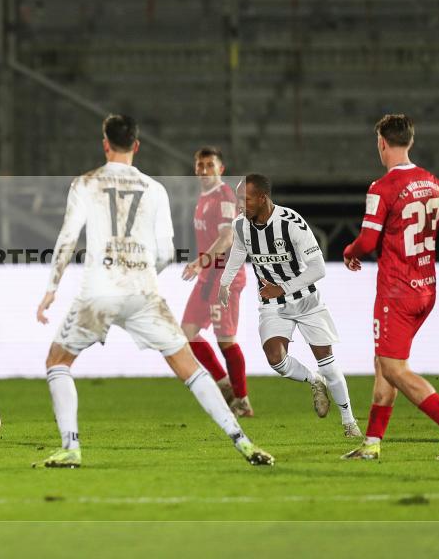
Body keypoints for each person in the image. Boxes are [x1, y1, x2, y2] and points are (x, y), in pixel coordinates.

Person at [35, 114, 273, 468]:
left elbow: (67, 239)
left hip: (98, 292)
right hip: (143, 292)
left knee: (57, 362)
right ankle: (243, 441)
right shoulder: (155, 189)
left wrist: (51, 288)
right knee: (189, 368)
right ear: (136, 145)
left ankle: (71, 447)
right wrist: (143, 272)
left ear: (105, 144)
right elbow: (164, 253)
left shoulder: (84, 184)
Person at [341, 114, 439, 460]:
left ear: (382, 142)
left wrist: (349, 251)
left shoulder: (381, 188)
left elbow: (368, 242)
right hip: (426, 290)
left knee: (394, 368)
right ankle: (372, 444)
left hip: (396, 293)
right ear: (410, 141)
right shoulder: (434, 183)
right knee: (384, 363)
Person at [219, 174, 360, 437]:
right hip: (272, 303)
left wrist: (282, 287)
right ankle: (313, 380)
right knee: (276, 359)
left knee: (328, 364)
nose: (240, 205)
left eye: (245, 199)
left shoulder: (291, 223)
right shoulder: (240, 225)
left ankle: (349, 422)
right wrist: (224, 283)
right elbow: (238, 251)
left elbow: (318, 268)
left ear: (262, 198)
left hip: (306, 301)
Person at [180, 146, 252, 416]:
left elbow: (227, 238)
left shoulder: (224, 197)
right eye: (200, 165)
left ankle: (242, 401)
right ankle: (226, 388)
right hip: (208, 277)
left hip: (224, 278)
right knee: (187, 333)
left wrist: (200, 262)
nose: (204, 170)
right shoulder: (203, 198)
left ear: (221, 169)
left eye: (210, 165)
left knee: (226, 340)